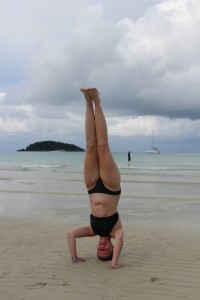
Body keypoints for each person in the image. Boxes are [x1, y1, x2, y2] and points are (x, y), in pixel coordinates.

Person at [67, 88, 124, 269]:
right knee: (102, 146)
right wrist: (114, 263)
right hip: (110, 187)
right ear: (112, 247)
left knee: (90, 146)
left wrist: (74, 257)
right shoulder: (116, 231)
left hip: (91, 186)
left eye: (99, 250)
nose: (102, 246)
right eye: (105, 249)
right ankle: (97, 102)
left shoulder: (92, 231)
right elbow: (121, 239)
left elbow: (70, 234)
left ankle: (87, 101)